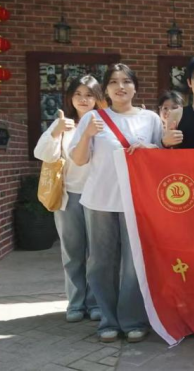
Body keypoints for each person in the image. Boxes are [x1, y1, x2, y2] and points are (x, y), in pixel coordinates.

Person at [70, 64, 163, 343]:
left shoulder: (150, 119)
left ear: (135, 87)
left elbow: (162, 158)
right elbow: (79, 160)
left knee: (134, 265)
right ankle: (108, 320)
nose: (120, 87)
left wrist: (150, 148)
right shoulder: (93, 118)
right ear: (105, 89)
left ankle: (132, 319)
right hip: (100, 200)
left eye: (126, 81)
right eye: (113, 82)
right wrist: (87, 135)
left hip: (137, 202)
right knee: (101, 263)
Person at [34, 75, 106, 324]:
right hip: (71, 196)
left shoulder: (105, 124)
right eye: (78, 94)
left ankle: (95, 302)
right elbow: (42, 154)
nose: (83, 99)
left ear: (98, 98)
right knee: (73, 252)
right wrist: (55, 132)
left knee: (97, 254)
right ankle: (76, 303)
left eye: (89, 95)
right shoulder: (64, 124)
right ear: (70, 98)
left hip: (99, 197)